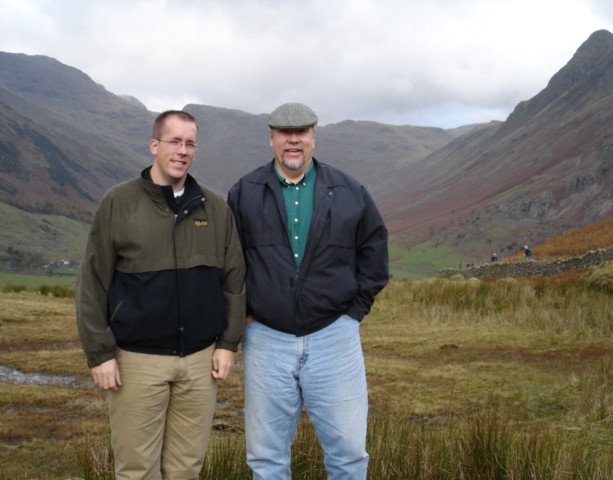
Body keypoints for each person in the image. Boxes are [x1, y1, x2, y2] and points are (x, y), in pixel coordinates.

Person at [76, 110, 246, 479]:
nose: (182, 151)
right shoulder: (118, 203)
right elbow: (92, 282)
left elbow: (234, 281)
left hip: (200, 363)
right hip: (137, 361)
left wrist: (228, 344)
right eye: (174, 141)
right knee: (138, 470)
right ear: (154, 145)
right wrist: (100, 354)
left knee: (186, 469)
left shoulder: (215, 208)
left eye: (190, 144)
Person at [227, 102, 389, 479]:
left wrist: (354, 314)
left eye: (302, 132)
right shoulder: (244, 192)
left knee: (348, 455)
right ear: (271, 139)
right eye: (285, 133)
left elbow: (374, 253)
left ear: (314, 137)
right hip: (265, 338)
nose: (294, 140)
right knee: (266, 458)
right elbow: (227, 261)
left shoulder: (349, 191)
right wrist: (246, 315)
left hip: (335, 338)